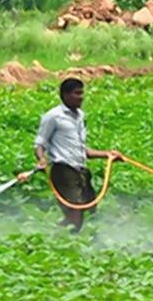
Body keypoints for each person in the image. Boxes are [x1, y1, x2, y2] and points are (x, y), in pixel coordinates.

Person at [21, 78, 121, 232]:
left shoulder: (80, 116)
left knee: (87, 211)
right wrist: (41, 159)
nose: (81, 97)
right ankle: (60, 242)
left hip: (80, 170)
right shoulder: (53, 116)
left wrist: (108, 154)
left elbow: (83, 151)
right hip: (63, 171)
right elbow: (40, 144)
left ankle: (51, 235)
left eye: (82, 93)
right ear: (65, 95)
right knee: (76, 213)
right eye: (77, 93)